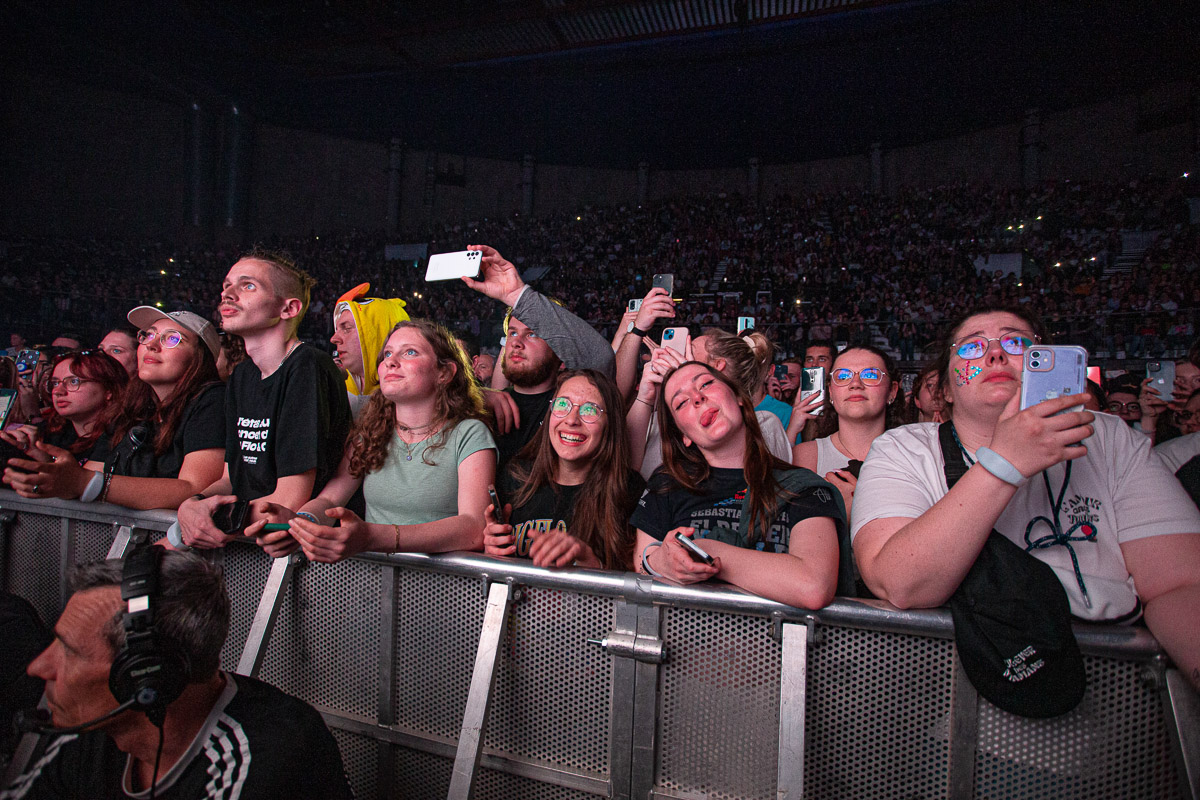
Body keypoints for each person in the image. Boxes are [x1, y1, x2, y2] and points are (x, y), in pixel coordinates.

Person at [851, 307, 1200, 690]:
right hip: (957, 688)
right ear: (946, 390)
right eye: (970, 347)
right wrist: (1005, 464)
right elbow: (901, 582)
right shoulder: (904, 448)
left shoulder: (1111, 438)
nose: (996, 354)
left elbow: (1180, 584)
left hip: (1115, 692)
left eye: (1017, 342)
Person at [0, 548, 353, 798]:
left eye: (69, 652)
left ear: (143, 676)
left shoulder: (268, 760)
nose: (37, 667)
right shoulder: (92, 729)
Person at [246, 320, 494, 563]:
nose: (391, 362)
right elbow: (330, 500)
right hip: (373, 584)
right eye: (387, 354)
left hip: (443, 587)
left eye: (410, 352)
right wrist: (301, 524)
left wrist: (372, 537)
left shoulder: (469, 433)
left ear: (445, 373)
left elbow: (473, 527)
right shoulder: (372, 432)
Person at [176, 249, 351, 555]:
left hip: (299, 556)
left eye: (247, 286)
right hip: (241, 541)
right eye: (227, 285)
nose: (228, 293)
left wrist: (207, 516)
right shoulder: (243, 375)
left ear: (288, 308)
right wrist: (191, 505)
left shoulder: (307, 366)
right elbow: (230, 479)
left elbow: (289, 499)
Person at [631, 361, 847, 608]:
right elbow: (642, 565)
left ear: (739, 397)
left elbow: (813, 586)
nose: (698, 398)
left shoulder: (804, 487)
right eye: (681, 403)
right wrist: (659, 562)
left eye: (706, 383)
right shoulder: (666, 486)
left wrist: (708, 550)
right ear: (684, 435)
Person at [2, 309, 226, 511]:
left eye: (172, 339)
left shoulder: (212, 400)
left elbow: (195, 489)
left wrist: (88, 484)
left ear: (200, 357)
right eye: (148, 335)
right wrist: (45, 468)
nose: (152, 344)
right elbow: (87, 475)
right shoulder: (132, 409)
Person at [461, 244, 615, 468]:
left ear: (558, 346)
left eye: (532, 334)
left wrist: (517, 296)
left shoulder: (568, 410)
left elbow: (600, 358)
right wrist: (473, 396)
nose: (516, 342)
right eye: (512, 332)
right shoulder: (485, 402)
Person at [484, 370, 644, 569]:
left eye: (590, 410)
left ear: (610, 425)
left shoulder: (630, 490)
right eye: (562, 405)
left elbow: (635, 584)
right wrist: (492, 550)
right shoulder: (515, 476)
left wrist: (589, 561)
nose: (571, 420)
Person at [792, 345, 905, 515]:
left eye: (870, 375)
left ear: (892, 391)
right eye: (843, 376)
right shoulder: (803, 457)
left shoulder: (914, 455)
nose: (855, 384)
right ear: (830, 391)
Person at [329, 282, 409, 418]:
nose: (334, 338)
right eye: (337, 329)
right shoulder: (332, 387)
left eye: (346, 328)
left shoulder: (415, 402)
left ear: (379, 333)